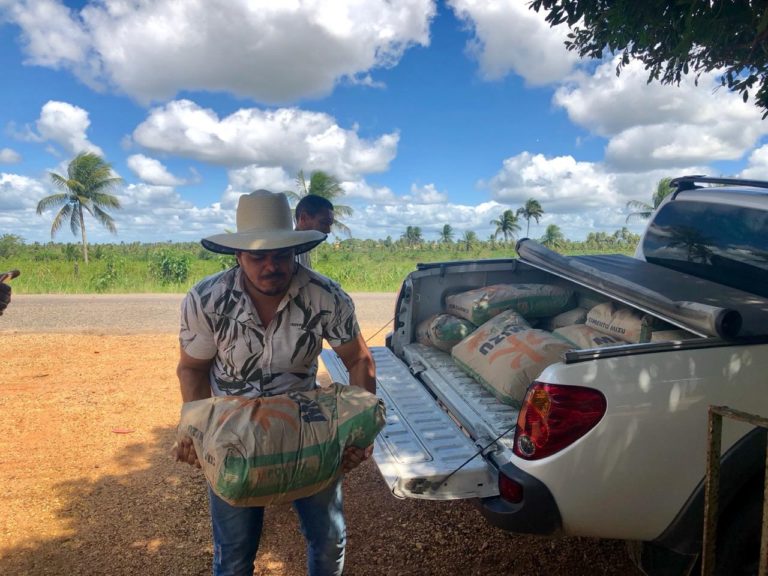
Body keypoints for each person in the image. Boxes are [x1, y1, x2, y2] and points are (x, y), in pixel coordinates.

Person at [173, 190, 376, 576]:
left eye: (281, 255)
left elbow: (359, 359)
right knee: (233, 555)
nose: (272, 267)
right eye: (258, 257)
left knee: (329, 540)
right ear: (238, 256)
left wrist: (359, 433)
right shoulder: (207, 299)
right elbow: (192, 370)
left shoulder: (326, 296)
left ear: (294, 251)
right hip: (233, 438)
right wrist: (197, 431)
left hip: (307, 431)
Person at [294, 194, 335, 268]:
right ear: (304, 218)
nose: (328, 230)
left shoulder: (303, 250)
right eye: (324, 222)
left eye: (330, 224)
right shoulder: (287, 254)